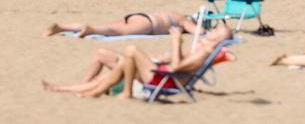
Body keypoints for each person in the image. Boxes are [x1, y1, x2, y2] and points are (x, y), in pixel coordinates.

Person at [42, 23, 234, 99]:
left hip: (164, 80)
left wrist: (176, 41)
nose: (211, 31)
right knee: (106, 54)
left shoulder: (203, 53)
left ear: (218, 39)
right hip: (160, 72)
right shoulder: (202, 50)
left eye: (215, 31)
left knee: (131, 51)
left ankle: (124, 92)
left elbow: (176, 68)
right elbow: (175, 61)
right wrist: (159, 57)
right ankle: (76, 89)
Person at [44, 10, 199, 38]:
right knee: (115, 31)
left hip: (139, 16)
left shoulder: (175, 13)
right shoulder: (184, 21)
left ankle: (62, 27)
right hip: (148, 24)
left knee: (109, 25)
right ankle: (92, 30)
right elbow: (198, 32)